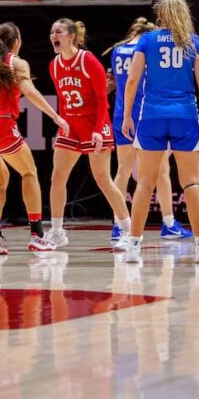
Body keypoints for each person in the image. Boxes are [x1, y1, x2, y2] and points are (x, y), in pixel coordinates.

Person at [121, 0, 199, 265]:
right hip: (185, 116)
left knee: (145, 183)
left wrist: (127, 115)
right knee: (191, 183)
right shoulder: (193, 42)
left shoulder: (147, 40)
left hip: (152, 116)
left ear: (160, 15)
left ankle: (133, 247)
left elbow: (132, 79)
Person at [0, 22, 69, 254]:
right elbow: (30, 92)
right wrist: (56, 117)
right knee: (29, 172)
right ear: (17, 42)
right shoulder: (16, 62)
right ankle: (37, 235)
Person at [46, 19, 131, 248]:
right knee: (57, 177)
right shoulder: (54, 65)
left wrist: (99, 130)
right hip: (71, 126)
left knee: (103, 180)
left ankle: (128, 231)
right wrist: (62, 123)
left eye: (58, 31)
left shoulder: (87, 60)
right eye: (52, 32)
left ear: (71, 36)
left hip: (95, 124)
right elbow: (63, 100)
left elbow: (103, 99)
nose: (54, 35)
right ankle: (56, 232)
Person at [109, 17, 193, 244]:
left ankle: (118, 224)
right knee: (162, 170)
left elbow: (120, 81)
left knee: (123, 171)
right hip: (146, 114)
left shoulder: (117, 51)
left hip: (122, 114)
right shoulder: (148, 47)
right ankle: (169, 223)